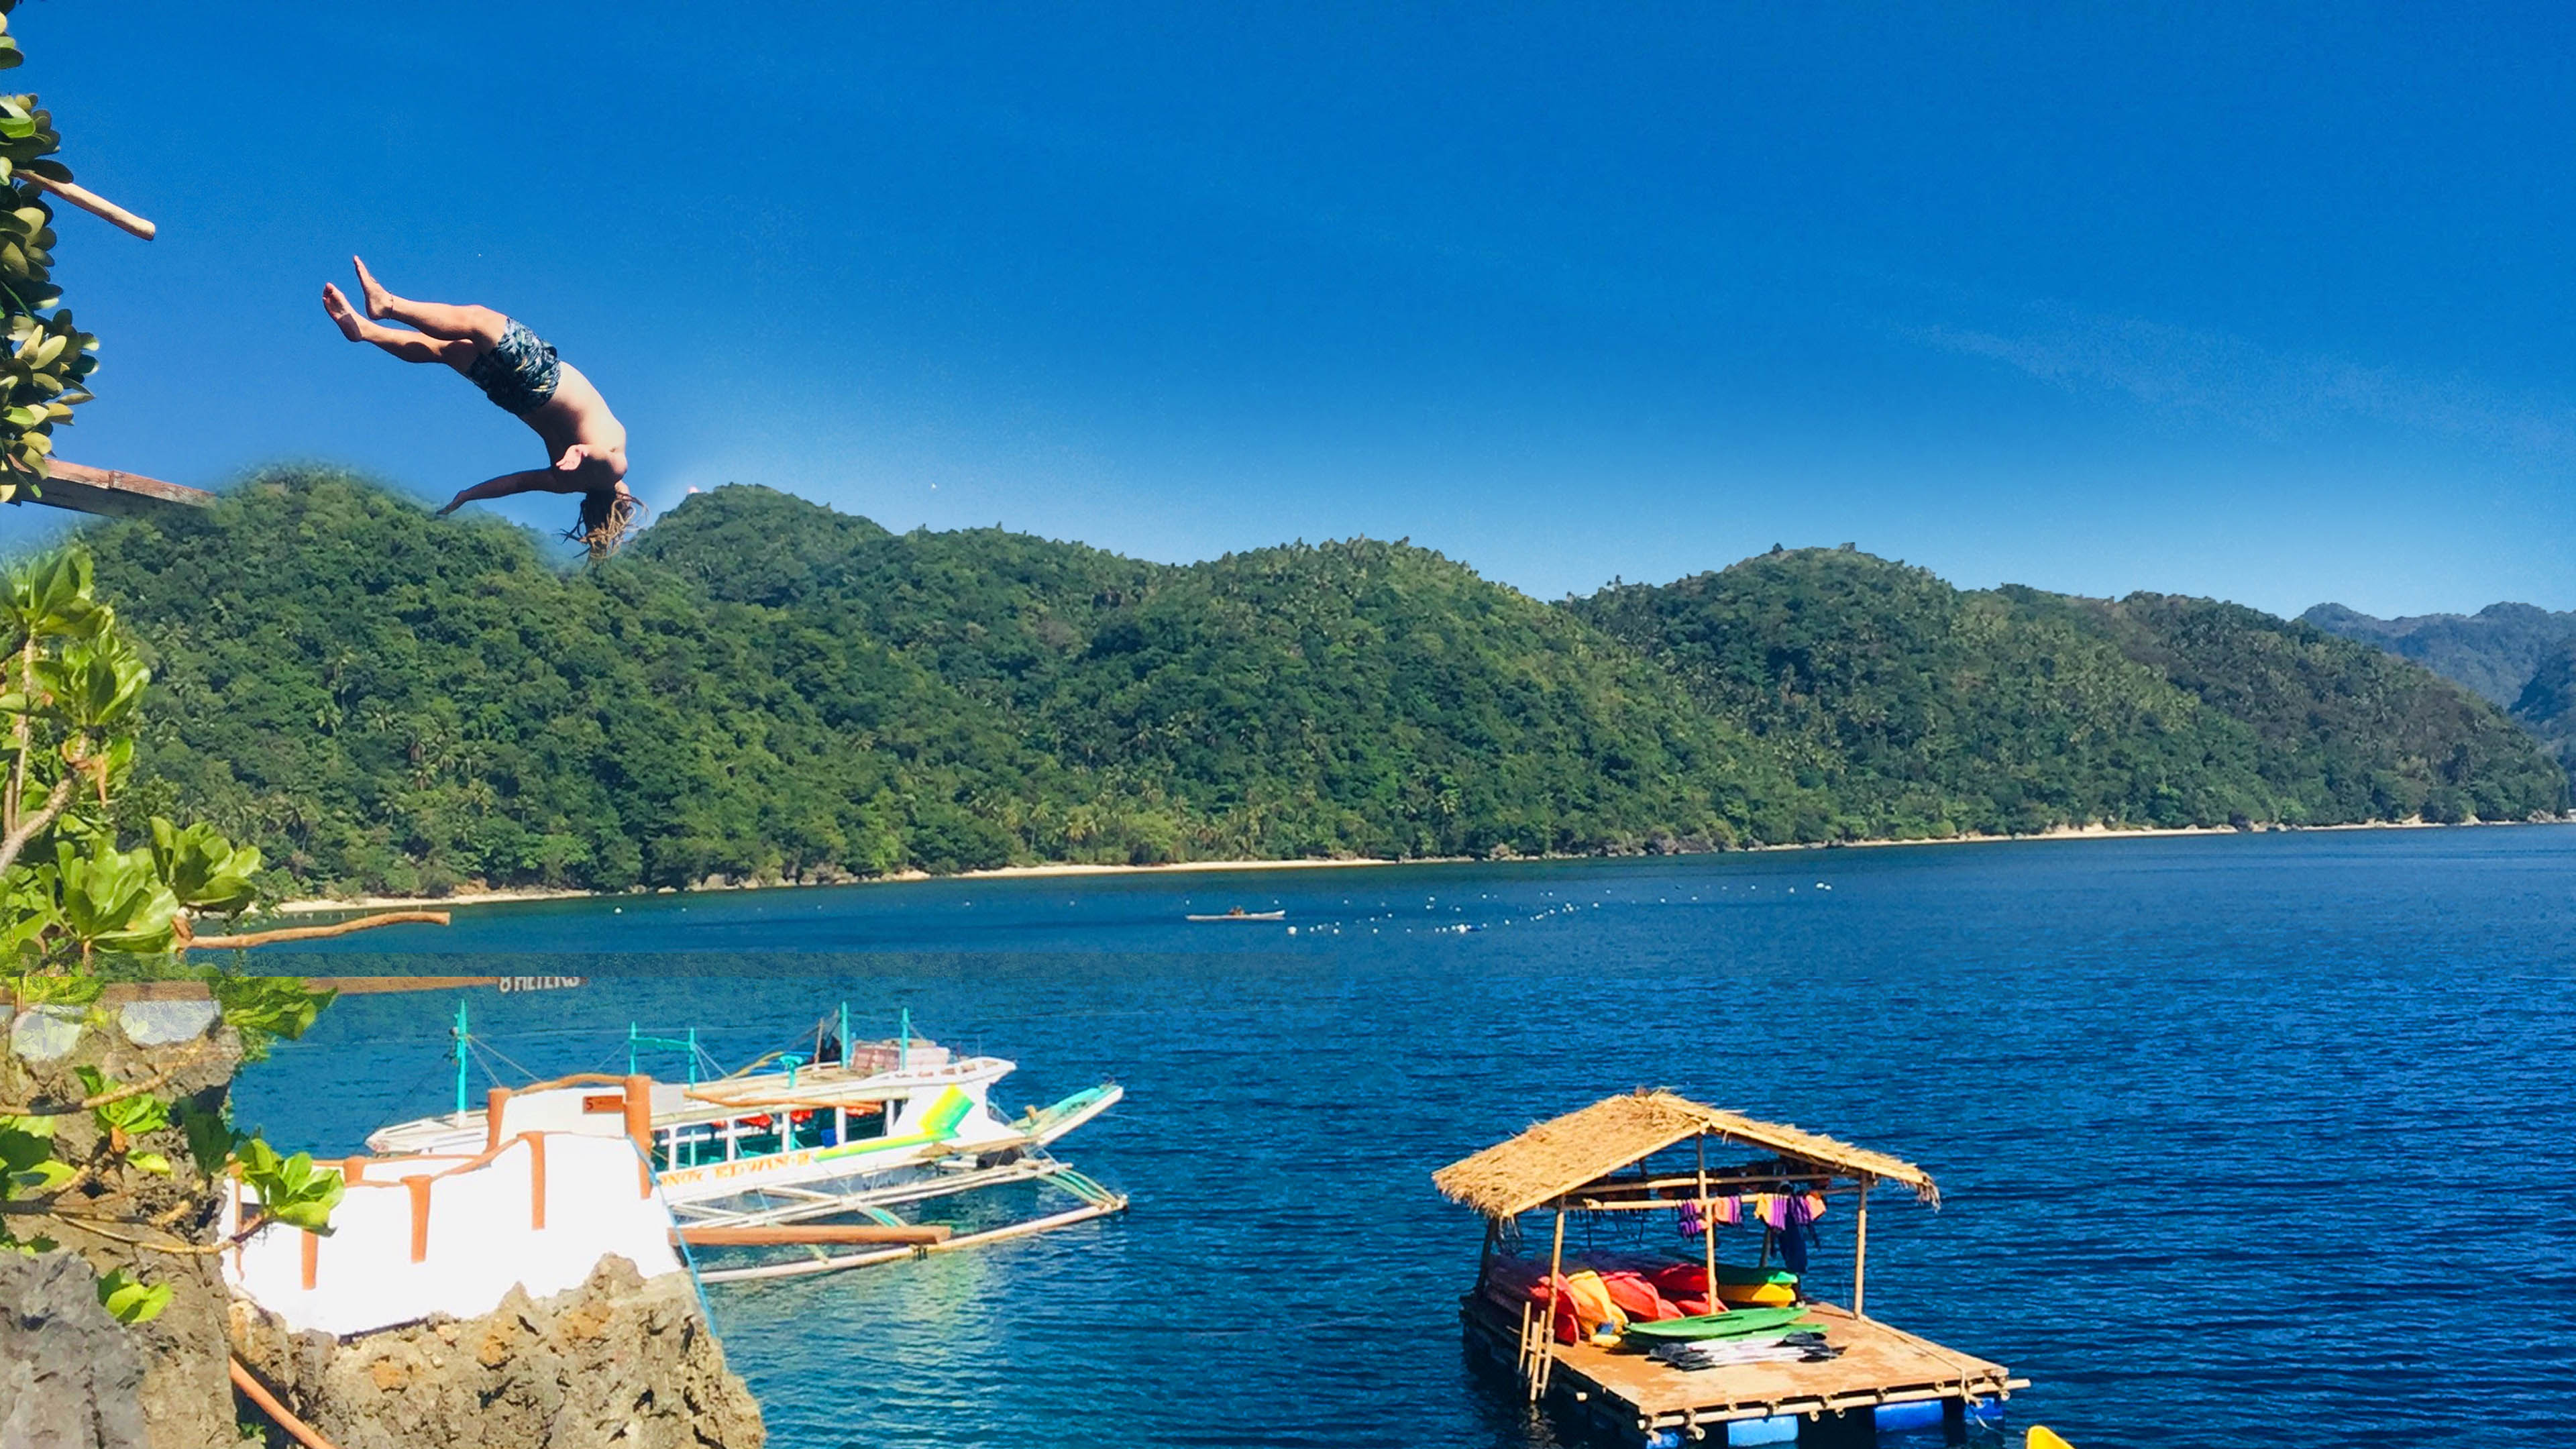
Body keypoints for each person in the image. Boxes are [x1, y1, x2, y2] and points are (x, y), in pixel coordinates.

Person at [320, 258, 643, 556]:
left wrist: (584, 453)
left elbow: (607, 461)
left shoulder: (613, 471)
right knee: (444, 351)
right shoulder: (566, 484)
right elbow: (515, 484)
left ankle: (388, 305)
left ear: (620, 498)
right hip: (515, 399)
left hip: (543, 378)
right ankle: (365, 332)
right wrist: (467, 495)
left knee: (475, 319)